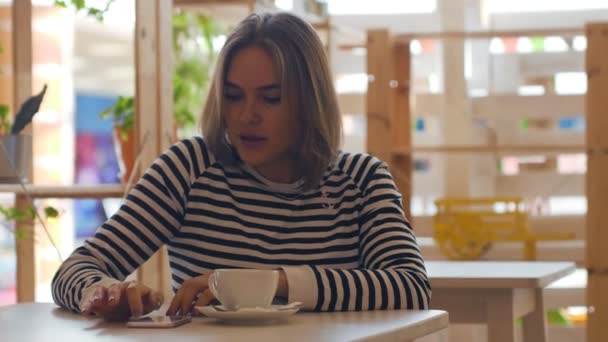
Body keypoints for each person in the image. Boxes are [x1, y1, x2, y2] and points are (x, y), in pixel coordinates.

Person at [51, 12, 431, 321]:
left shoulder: (362, 180)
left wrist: (271, 282)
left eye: (271, 98)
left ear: (309, 102)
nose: (246, 115)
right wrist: (103, 293)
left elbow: (410, 287)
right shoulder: (189, 169)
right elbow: (76, 268)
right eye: (233, 97)